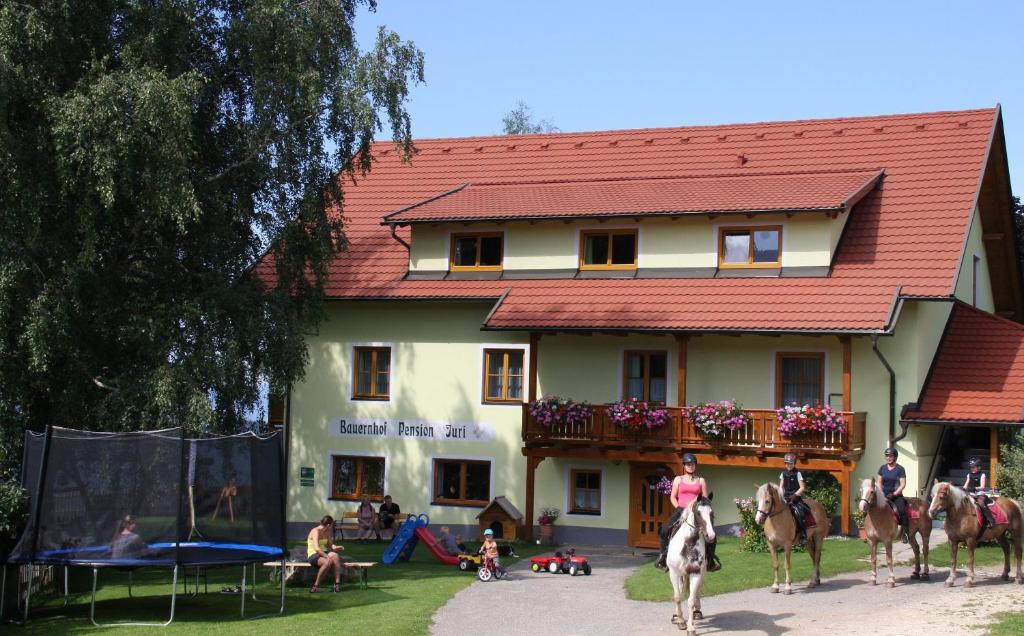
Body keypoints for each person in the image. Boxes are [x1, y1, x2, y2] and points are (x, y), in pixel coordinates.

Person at [655, 453, 720, 572]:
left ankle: (710, 560)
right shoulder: (678, 479)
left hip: (697, 512)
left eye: (693, 464)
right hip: (681, 510)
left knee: (712, 535)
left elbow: (705, 500)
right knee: (664, 529)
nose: (691, 466)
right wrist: (679, 507)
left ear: (695, 466)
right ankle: (663, 557)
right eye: (688, 464)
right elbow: (673, 497)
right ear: (684, 466)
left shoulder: (701, 481)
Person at [877, 447, 909, 543]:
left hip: (896, 496)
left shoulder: (900, 469)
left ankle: (905, 533)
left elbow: (903, 484)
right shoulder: (882, 468)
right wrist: (881, 493)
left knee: (902, 510)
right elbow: (879, 482)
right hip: (884, 496)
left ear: (895, 457)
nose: (888, 458)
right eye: (887, 456)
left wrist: (894, 494)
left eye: (890, 456)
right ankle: (870, 532)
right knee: (871, 507)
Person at [307, 515, 344, 593]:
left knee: (335, 556)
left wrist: (336, 547)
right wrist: (327, 556)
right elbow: (317, 549)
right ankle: (315, 585)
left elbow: (331, 545)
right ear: (328, 525)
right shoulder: (315, 531)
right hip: (313, 553)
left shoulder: (326, 532)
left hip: (323, 552)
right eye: (331, 525)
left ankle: (337, 584)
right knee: (327, 562)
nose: (331, 527)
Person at [779, 453, 809, 545]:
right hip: (785, 498)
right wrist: (781, 494)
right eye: (787, 463)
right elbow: (781, 487)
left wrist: (794, 495)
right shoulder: (783, 474)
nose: (789, 465)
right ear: (785, 464)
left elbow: (802, 487)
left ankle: (803, 535)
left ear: (794, 464)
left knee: (800, 512)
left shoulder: (798, 473)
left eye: (791, 463)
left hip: (795, 498)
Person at [964, 457, 995, 529]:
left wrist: (975, 488)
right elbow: (966, 484)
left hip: (980, 493)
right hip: (971, 494)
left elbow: (982, 486)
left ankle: (990, 520)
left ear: (979, 467)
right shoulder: (969, 475)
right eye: (971, 467)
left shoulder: (982, 475)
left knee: (981, 504)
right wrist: (963, 488)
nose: (972, 469)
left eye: (973, 467)